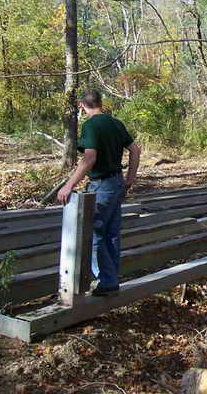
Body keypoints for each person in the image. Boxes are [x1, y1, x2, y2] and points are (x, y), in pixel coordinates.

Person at [57, 89, 141, 296]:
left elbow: (89, 159)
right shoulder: (115, 123)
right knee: (111, 233)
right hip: (117, 182)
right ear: (100, 102)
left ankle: (107, 281)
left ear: (81, 106)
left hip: (102, 186)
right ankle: (111, 279)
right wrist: (130, 178)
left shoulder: (91, 125)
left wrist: (69, 185)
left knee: (95, 234)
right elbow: (136, 150)